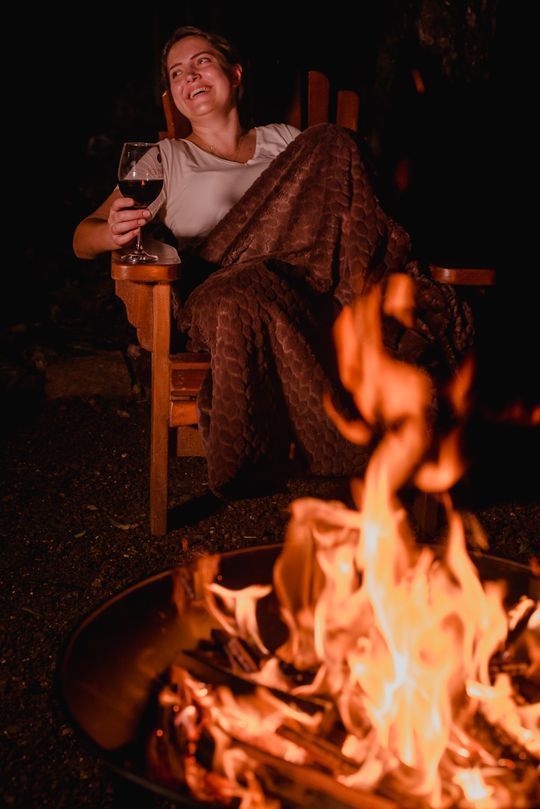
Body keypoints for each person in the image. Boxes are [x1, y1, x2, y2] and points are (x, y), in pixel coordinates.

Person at [73, 26, 472, 497]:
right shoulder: (165, 158)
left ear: (234, 74)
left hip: (304, 286)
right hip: (218, 284)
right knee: (244, 289)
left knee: (333, 143)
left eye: (201, 61)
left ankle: (363, 307)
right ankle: (340, 456)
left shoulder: (286, 141)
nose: (189, 76)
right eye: (177, 73)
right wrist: (110, 231)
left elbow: (342, 212)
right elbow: (81, 238)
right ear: (174, 95)